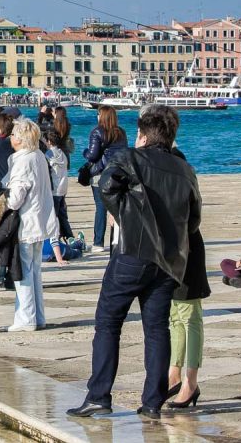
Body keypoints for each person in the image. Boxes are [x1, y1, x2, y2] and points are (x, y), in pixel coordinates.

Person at [69, 104, 201, 421]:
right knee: (157, 330)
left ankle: (99, 395)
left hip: (133, 254)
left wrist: (127, 215)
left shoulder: (130, 157)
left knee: (108, 323)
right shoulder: (185, 170)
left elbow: (105, 186)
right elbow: (194, 220)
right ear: (171, 136)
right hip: (168, 263)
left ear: (142, 133)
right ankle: (153, 401)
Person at [5, 119, 57, 331]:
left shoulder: (22, 161)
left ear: (19, 138)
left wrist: (4, 202)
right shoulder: (39, 156)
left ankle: (26, 318)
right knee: (34, 270)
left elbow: (17, 196)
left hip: (26, 221)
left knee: (23, 270)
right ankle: (38, 315)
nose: (10, 138)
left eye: (13, 135)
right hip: (41, 219)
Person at [168, 227, 210, 410]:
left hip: (186, 247)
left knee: (189, 315)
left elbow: (193, 215)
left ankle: (191, 381)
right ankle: (174, 375)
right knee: (175, 316)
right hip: (166, 246)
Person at [81, 105, 126, 251]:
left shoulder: (97, 131)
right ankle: (118, 239)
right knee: (116, 207)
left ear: (102, 116)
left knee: (100, 207)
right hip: (118, 172)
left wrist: (85, 152)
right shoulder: (121, 132)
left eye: (98, 114)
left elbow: (93, 155)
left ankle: (98, 242)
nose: (97, 116)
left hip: (100, 172)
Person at [44, 129, 72, 255]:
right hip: (63, 188)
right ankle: (69, 237)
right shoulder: (63, 153)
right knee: (62, 214)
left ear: (49, 141)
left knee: (53, 217)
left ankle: (53, 240)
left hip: (54, 190)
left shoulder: (48, 154)